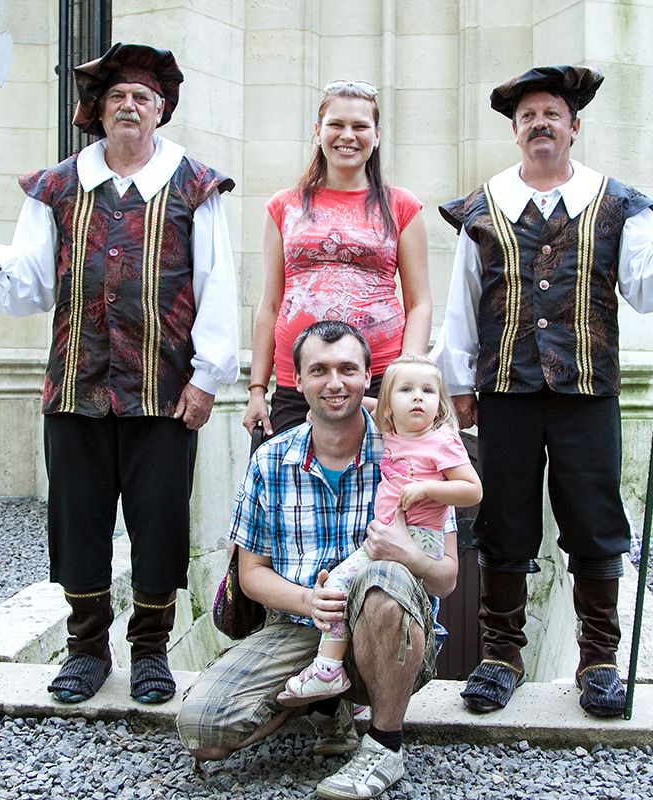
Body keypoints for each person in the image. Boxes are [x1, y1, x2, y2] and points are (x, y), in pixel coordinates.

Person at [0, 43, 238, 706]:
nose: (129, 106)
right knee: (77, 522)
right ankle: (86, 650)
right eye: (117, 97)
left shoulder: (195, 185)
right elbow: (30, 283)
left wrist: (207, 378)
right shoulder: (56, 187)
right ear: (99, 111)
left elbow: (218, 285)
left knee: (159, 523)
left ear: (161, 110)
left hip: (163, 392)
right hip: (75, 387)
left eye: (142, 97)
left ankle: (150, 652)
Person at [435, 65, 653, 718]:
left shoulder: (618, 204)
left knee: (594, 518)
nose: (540, 125)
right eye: (528, 116)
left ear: (574, 127)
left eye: (551, 114)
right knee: (504, 518)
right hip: (506, 389)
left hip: (587, 389)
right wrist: (458, 383)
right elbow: (463, 302)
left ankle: (600, 661)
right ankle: (500, 657)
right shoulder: (484, 207)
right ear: (516, 132)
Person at [178, 321, 458, 800]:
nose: (335, 383)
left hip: (385, 631)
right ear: (298, 379)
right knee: (203, 732)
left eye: (348, 369)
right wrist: (309, 602)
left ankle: (384, 744)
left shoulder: (411, 454)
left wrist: (410, 555)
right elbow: (251, 574)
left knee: (384, 578)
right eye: (320, 370)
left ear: (368, 377)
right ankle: (326, 707)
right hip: (300, 627)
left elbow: (447, 578)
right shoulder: (270, 461)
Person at [277, 354, 481, 705]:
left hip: (418, 537)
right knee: (354, 596)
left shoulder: (442, 440)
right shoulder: (392, 433)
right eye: (406, 390)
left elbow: (472, 490)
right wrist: (319, 412)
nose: (417, 397)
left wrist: (427, 489)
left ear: (440, 403)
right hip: (388, 535)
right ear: (389, 407)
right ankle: (356, 690)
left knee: (339, 585)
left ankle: (328, 669)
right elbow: (363, 403)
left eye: (428, 391)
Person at [244, 80, 431, 437]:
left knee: (380, 472)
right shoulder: (284, 205)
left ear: (376, 135)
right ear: (318, 131)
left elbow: (419, 302)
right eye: (336, 125)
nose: (348, 136)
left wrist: (406, 375)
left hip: (378, 377)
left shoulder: (402, 205)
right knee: (293, 470)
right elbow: (270, 304)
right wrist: (256, 390)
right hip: (298, 379)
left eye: (360, 126)